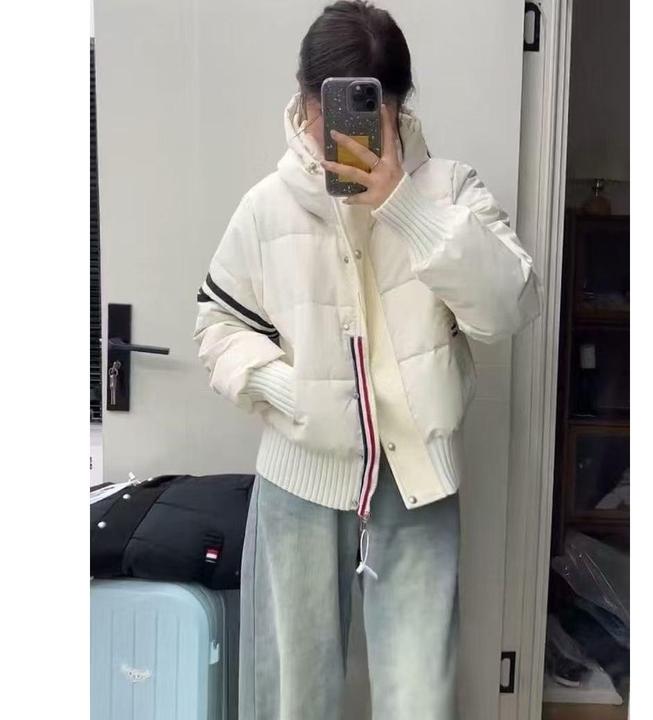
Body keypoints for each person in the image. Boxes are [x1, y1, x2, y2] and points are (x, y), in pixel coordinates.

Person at [194, 2, 541, 718]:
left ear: (397, 105)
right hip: (298, 481)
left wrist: (403, 204)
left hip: (417, 483)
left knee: (419, 699)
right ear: (303, 98)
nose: (338, 129)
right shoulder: (267, 207)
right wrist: (288, 392)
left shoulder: (450, 191)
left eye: (365, 108)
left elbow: (510, 306)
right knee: (295, 697)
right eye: (325, 107)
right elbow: (219, 323)